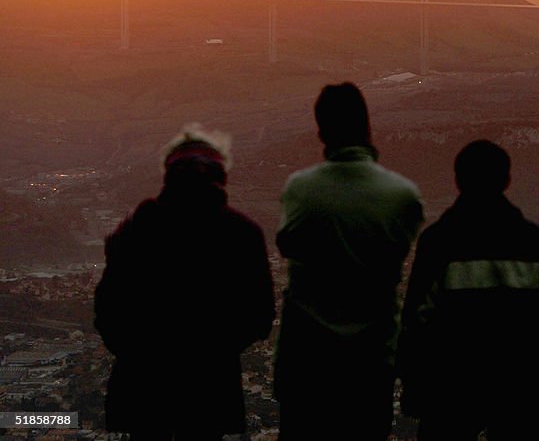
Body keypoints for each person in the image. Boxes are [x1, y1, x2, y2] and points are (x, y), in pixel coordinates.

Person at [94, 126, 275, 441]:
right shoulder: (241, 233)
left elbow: (107, 310)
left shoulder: (139, 228)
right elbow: (260, 316)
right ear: (220, 176)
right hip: (210, 386)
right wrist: (217, 350)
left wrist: (137, 354)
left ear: (169, 174)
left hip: (145, 387)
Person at [273, 82, 423, 439]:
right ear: (367, 125)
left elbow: (288, 244)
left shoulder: (300, 189)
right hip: (370, 361)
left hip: (308, 359)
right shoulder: (402, 196)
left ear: (321, 130)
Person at [399, 139, 539, 440]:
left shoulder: (439, 241)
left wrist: (415, 387)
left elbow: (416, 319)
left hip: (452, 389)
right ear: (506, 180)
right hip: (521, 389)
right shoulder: (530, 241)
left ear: (457, 181)